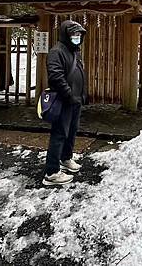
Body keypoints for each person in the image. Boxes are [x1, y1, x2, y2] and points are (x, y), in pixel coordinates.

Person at [43, 20, 87, 186]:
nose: (77, 37)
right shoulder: (57, 52)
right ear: (65, 35)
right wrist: (69, 95)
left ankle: (66, 157)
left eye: (79, 35)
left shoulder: (74, 51)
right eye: (74, 34)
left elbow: (80, 73)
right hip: (63, 100)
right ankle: (52, 172)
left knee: (72, 131)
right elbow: (56, 77)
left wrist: (82, 94)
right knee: (60, 133)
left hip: (75, 100)